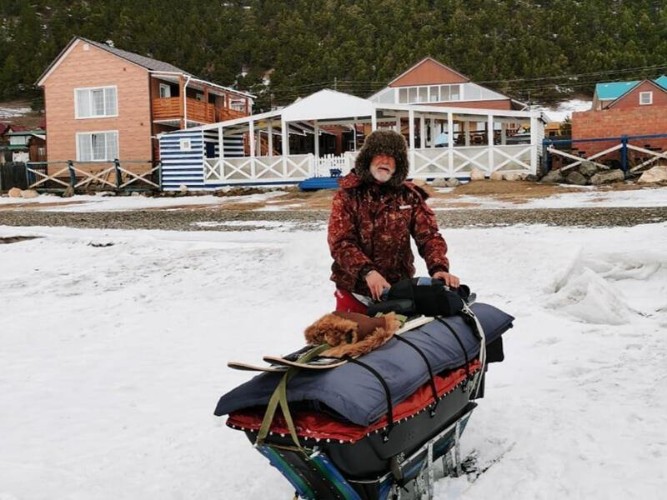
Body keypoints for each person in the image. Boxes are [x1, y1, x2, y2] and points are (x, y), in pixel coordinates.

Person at [328, 129, 460, 313]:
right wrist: (367, 272)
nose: (385, 161)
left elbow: (429, 236)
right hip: (355, 293)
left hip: (398, 293)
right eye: (380, 154)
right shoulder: (347, 196)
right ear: (368, 158)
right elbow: (341, 243)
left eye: (392, 157)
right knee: (354, 341)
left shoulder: (409, 196)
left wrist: (438, 268)